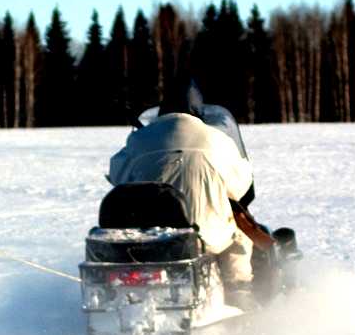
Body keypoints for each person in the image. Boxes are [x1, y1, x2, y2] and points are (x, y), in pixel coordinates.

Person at [108, 107, 257, 306]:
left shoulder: (139, 139)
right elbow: (239, 187)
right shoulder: (217, 139)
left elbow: (118, 177)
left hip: (146, 237)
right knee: (239, 235)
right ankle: (239, 292)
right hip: (204, 236)